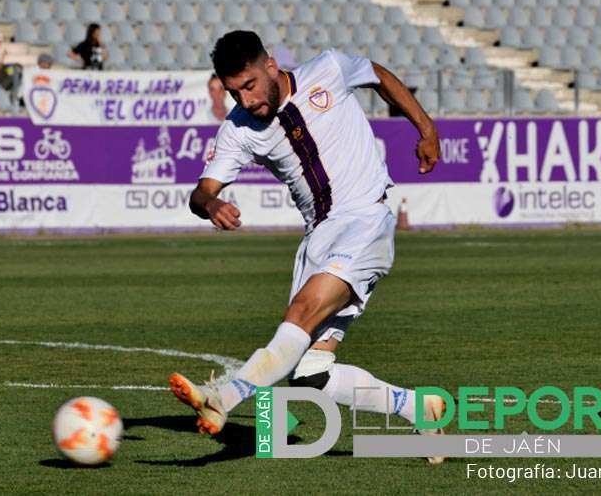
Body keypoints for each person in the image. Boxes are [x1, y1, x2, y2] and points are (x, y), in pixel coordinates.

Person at [169, 31, 446, 463]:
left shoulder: (328, 69)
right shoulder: (239, 129)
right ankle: (419, 408)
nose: (245, 100)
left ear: (271, 66)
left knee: (298, 315)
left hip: (365, 221)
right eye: (233, 92)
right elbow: (200, 192)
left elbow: (378, 75)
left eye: (250, 86)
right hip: (319, 237)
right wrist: (211, 203)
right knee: (309, 374)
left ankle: (222, 397)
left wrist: (426, 129)